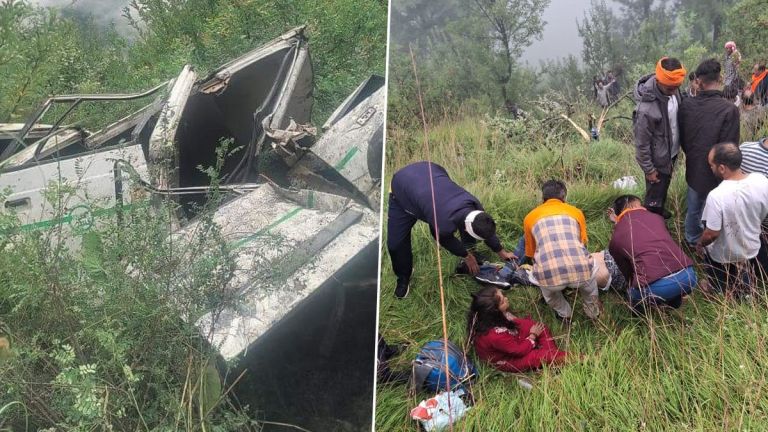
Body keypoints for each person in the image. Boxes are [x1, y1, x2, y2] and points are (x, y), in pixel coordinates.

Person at [387, 161, 516, 298]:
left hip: (431, 175)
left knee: (449, 217)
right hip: (402, 192)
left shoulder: (474, 204)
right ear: (465, 231)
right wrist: (465, 255)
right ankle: (403, 277)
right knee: (395, 244)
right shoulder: (443, 225)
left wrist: (501, 251)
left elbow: (484, 227)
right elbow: (443, 239)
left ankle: (470, 248)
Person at [679, 59, 740, 245]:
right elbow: (730, 146)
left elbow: (683, 139)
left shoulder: (686, 105)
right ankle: (712, 243)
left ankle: (691, 240)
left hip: (694, 167)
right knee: (715, 209)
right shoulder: (729, 109)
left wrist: (693, 153)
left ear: (698, 81)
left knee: (694, 208)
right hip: (719, 172)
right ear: (720, 78)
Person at [522, 180, 601, 323]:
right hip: (581, 273)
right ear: (564, 197)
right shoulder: (576, 212)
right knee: (590, 288)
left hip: (550, 279)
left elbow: (530, 253)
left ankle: (565, 314)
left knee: (550, 295)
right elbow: (582, 242)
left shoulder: (530, 217)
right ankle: (593, 313)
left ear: (543, 198)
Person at [695, 143, 768, 295]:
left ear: (722, 168)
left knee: (719, 280)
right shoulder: (761, 180)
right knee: (746, 276)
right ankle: (746, 291)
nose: (710, 168)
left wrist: (701, 244)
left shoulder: (717, 195)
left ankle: (716, 288)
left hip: (724, 255)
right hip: (752, 248)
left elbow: (712, 234)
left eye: (711, 165)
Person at [607, 195, 697, 313]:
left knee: (632, 293)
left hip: (655, 289)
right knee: (674, 290)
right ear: (637, 205)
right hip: (688, 276)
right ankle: (674, 304)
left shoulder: (616, 239)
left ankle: (641, 318)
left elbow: (627, 274)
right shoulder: (657, 218)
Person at [633, 57, 686, 218]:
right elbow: (641, 144)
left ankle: (659, 210)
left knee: (664, 185)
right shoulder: (646, 109)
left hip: (671, 152)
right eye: (670, 88)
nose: (674, 91)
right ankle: (652, 219)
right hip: (657, 159)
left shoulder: (673, 89)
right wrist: (649, 169)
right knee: (654, 194)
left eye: (677, 87)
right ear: (659, 80)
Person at [467, 286, 567, 373]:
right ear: (494, 312)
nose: (506, 298)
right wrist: (532, 336)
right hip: (509, 359)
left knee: (540, 327)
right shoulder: (494, 335)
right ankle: (577, 359)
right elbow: (518, 351)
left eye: (503, 294)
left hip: (510, 335)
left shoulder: (490, 317)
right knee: (537, 356)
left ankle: (553, 358)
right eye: (502, 301)